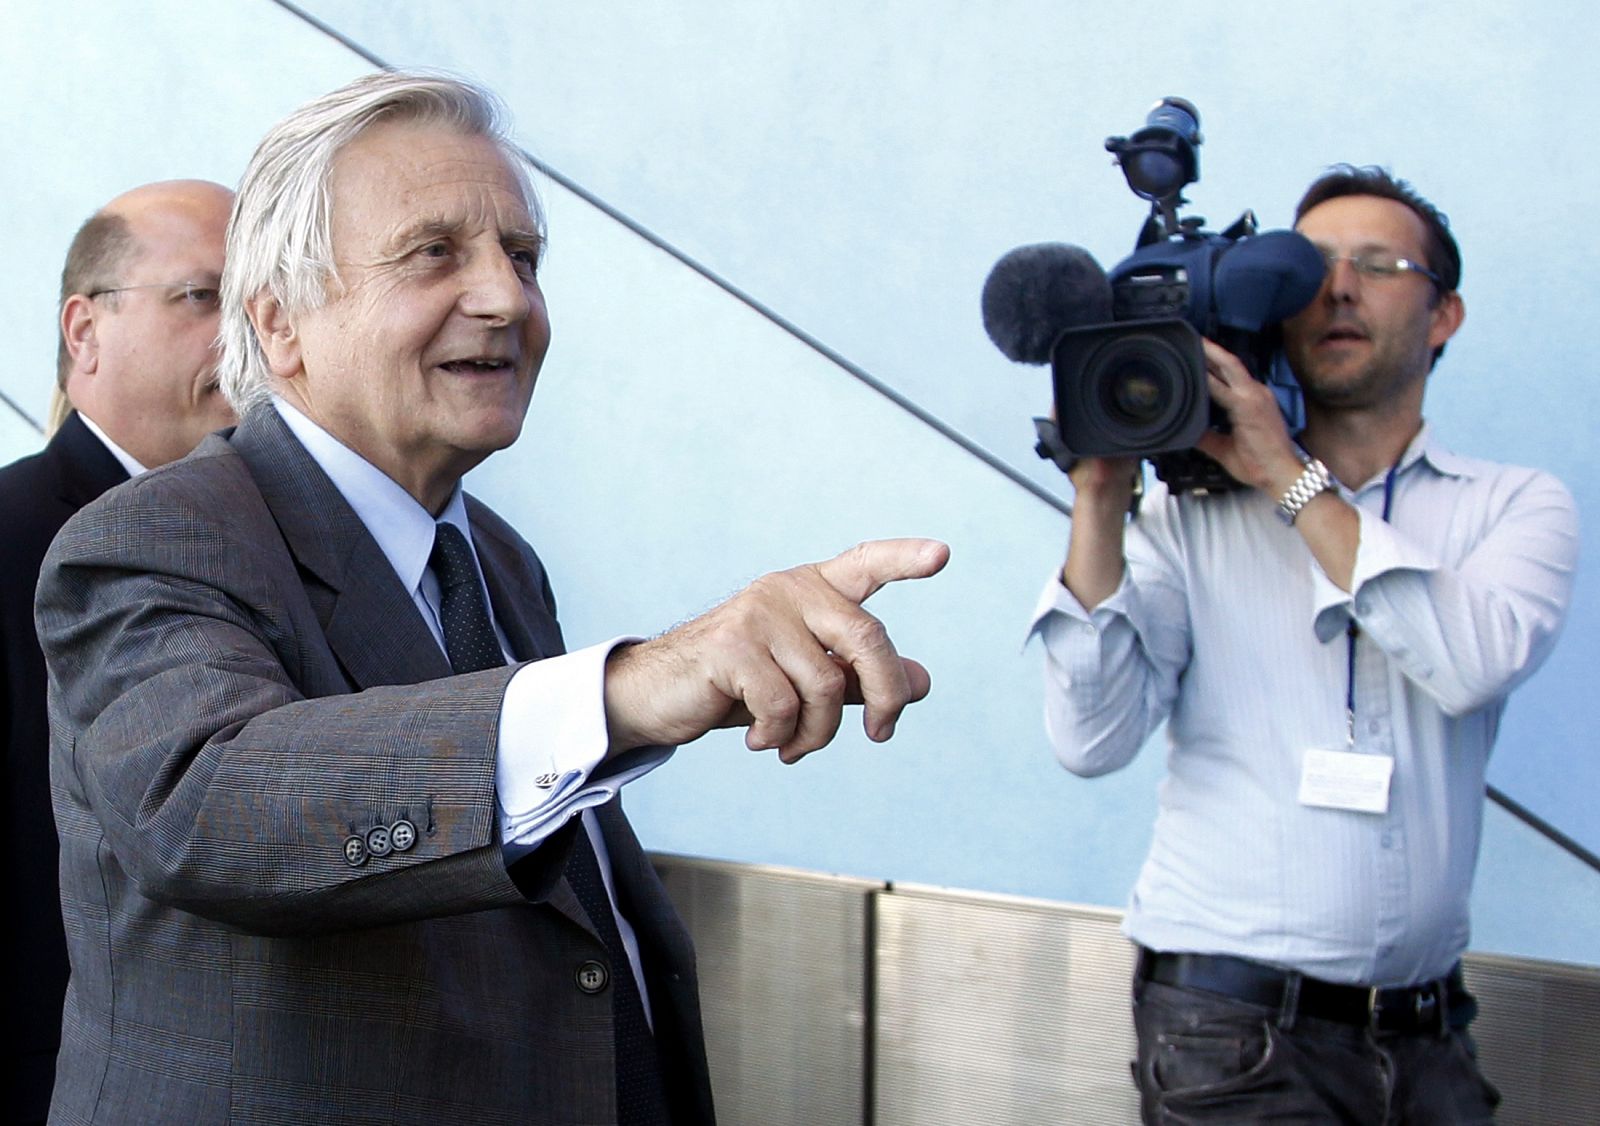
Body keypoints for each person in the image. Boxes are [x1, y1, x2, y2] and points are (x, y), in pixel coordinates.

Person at [36, 72, 946, 1125]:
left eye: (522, 257)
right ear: (281, 322)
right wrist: (630, 691)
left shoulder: (499, 562)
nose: (506, 298)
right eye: (435, 253)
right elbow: (211, 806)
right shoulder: (151, 534)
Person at [1030, 165, 1577, 1123]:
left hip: (1430, 1035)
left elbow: (1472, 661)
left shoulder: (1512, 505)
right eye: (1309, 266)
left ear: (1444, 314)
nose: (1337, 288)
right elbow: (1091, 738)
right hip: (1224, 1031)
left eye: (1378, 264)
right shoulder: (1189, 519)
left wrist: (1283, 472)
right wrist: (1102, 498)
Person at [1, 178, 235, 1122]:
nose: (243, 334)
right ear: (84, 332)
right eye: (201, 296)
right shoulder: (13, 540)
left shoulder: (283, 550)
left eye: (260, 301)